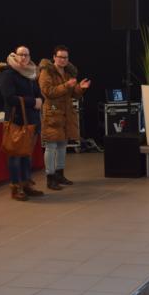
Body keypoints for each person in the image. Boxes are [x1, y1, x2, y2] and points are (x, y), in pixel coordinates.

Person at [38, 46, 90, 190]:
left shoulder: (68, 72)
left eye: (65, 57)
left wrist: (80, 88)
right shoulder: (46, 71)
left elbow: (73, 94)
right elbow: (48, 92)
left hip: (66, 113)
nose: (63, 60)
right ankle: (50, 178)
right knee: (51, 146)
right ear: (54, 57)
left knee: (62, 145)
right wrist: (67, 85)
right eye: (60, 57)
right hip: (52, 113)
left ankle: (59, 174)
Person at [0, 45, 44, 201]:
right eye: (21, 54)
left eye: (26, 55)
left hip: (31, 121)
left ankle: (26, 185)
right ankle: (16, 188)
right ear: (15, 55)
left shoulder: (31, 73)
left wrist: (40, 100)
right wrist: (34, 102)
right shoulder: (7, 74)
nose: (24, 57)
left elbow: (39, 95)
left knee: (26, 155)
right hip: (16, 120)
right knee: (15, 156)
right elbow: (9, 98)